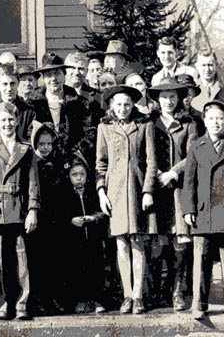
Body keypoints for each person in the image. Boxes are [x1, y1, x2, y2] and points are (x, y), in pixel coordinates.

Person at [182, 99, 224, 320]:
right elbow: (189, 182)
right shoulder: (197, 147)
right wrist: (188, 209)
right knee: (200, 258)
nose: (215, 122)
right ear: (204, 121)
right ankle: (199, 304)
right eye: (211, 118)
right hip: (203, 210)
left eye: (220, 118)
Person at [95, 84, 157, 315]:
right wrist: (102, 192)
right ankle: (127, 295)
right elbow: (100, 164)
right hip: (116, 193)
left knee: (137, 242)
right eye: (119, 104)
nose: (123, 108)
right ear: (112, 105)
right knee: (121, 244)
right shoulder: (105, 127)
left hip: (137, 191)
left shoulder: (144, 126)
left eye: (127, 104)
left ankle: (138, 295)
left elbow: (151, 162)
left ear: (133, 106)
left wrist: (148, 190)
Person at [0, 101, 40, 321]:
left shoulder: (26, 149)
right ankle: (5, 302)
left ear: (17, 121)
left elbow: (33, 182)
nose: (7, 124)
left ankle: (22, 303)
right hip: (0, 210)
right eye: (3, 120)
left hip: (20, 209)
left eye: (11, 119)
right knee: (2, 259)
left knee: (22, 258)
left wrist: (33, 209)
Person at [146, 79, 198, 311]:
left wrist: (173, 173)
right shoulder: (150, 122)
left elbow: (192, 154)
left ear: (178, 99)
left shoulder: (188, 124)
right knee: (158, 243)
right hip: (156, 187)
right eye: (164, 97)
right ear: (158, 99)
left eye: (173, 97)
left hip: (179, 188)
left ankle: (177, 291)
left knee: (179, 241)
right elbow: (144, 153)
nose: (168, 101)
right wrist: (157, 174)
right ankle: (156, 292)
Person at [28, 121, 66, 314]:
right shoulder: (31, 163)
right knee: (37, 260)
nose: (45, 148)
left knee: (54, 260)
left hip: (54, 219)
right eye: (41, 144)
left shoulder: (57, 163)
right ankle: (38, 299)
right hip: (37, 218)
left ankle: (52, 298)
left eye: (49, 144)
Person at [62, 159, 107, 314]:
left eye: (82, 174)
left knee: (96, 269)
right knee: (77, 269)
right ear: (69, 176)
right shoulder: (65, 194)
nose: (79, 178)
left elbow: (102, 212)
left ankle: (97, 300)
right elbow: (59, 215)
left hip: (93, 239)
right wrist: (71, 220)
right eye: (74, 175)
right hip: (75, 241)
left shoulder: (92, 192)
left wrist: (93, 218)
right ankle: (81, 300)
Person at [0, 64, 37, 145]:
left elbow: (31, 142)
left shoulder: (29, 112)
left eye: (12, 84)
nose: (9, 89)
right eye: (5, 84)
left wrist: (16, 151)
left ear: (18, 83)